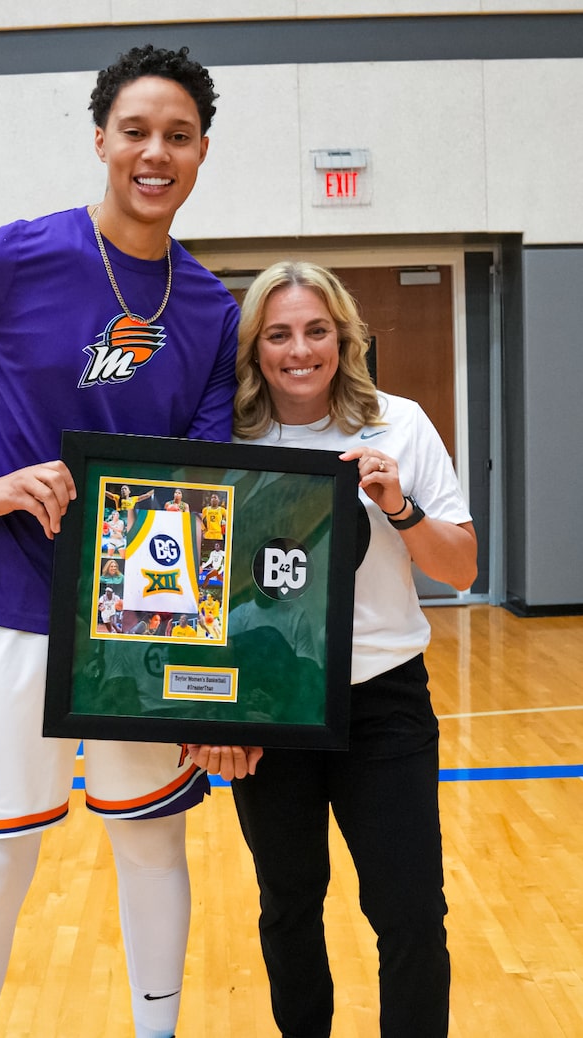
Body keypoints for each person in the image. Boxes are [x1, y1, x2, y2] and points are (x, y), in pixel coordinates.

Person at [0, 43, 255, 1038]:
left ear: (202, 152)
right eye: (135, 132)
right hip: (5, 609)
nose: (153, 153)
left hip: (141, 627)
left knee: (153, 844)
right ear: (99, 140)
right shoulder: (12, 256)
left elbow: (203, 494)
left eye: (177, 136)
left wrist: (214, 663)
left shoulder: (210, 309)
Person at [189, 260, 477, 1037]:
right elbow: (192, 594)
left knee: (410, 906)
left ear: (344, 336)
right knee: (289, 901)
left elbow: (462, 567)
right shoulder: (225, 434)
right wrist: (215, 710)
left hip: (383, 698)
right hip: (269, 704)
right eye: (278, 334)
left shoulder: (400, 421)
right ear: (254, 348)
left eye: (317, 330)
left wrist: (401, 506)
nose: (299, 350)